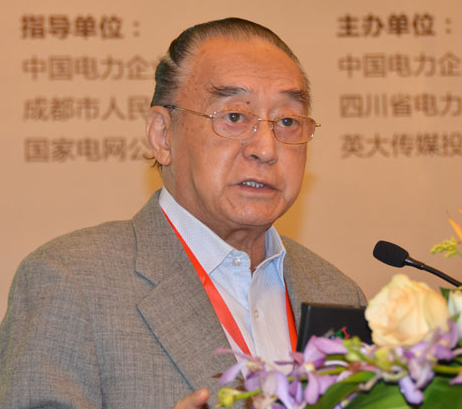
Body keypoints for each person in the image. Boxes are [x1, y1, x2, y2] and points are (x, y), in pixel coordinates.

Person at [0, 18, 366, 409]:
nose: (265, 148)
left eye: (287, 122)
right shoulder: (71, 282)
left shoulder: (337, 293)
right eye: (234, 117)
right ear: (162, 135)